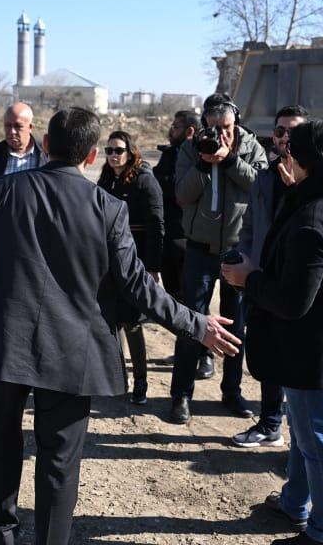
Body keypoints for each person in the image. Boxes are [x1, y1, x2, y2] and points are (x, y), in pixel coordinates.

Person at [0, 107, 241, 545]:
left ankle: (0, 532)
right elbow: (139, 287)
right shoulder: (108, 208)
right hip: (73, 351)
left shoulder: (2, 192)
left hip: (5, 340)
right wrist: (196, 324)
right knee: (59, 461)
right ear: (92, 156)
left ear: (45, 145)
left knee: (0, 442)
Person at [223, 119, 323, 545]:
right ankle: (294, 502)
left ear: (307, 161)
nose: (284, 158)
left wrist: (246, 279)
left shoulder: (314, 218)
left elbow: (292, 300)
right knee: (307, 433)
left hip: (314, 352)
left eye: (290, 153)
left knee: (318, 442)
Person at [169, 93, 267, 424]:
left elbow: (260, 187)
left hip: (238, 250)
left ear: (235, 122)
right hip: (199, 249)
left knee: (235, 325)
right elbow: (181, 194)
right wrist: (201, 163)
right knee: (190, 322)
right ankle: (181, 394)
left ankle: (231, 391)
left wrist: (228, 160)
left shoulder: (252, 148)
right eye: (211, 128)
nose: (218, 135)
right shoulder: (189, 149)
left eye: (225, 127)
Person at [231, 105, 307, 448]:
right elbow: (249, 225)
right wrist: (247, 261)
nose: (286, 138)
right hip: (263, 279)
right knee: (268, 351)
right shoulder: (264, 177)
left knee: (298, 356)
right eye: (280, 131)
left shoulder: (316, 179)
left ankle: (297, 437)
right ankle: (270, 423)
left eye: (293, 132)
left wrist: (296, 190)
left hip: (299, 283)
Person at [97, 130, 164, 405]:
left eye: (119, 150)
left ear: (130, 151)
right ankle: (116, 377)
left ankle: (141, 382)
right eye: (109, 150)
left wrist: (152, 267)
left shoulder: (145, 182)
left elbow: (157, 227)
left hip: (135, 261)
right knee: (111, 322)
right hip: (109, 262)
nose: (113, 155)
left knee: (133, 324)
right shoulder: (105, 179)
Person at [154, 110, 200, 305]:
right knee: (171, 284)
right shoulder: (170, 153)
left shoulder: (196, 154)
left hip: (184, 232)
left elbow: (178, 186)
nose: (171, 131)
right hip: (168, 228)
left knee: (187, 288)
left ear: (190, 131)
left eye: (175, 127)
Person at [0, 102, 46, 190]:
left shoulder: (46, 154)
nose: (12, 132)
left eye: (18, 126)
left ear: (30, 127)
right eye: (8, 126)